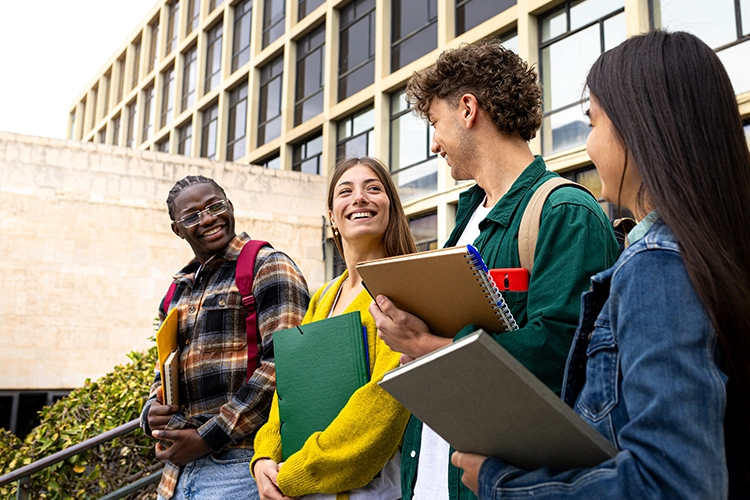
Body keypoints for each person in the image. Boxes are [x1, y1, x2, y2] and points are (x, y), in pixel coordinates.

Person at [452, 30, 750, 499]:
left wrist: (501, 483)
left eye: (592, 122)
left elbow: (672, 483)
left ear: (640, 128)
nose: (588, 145)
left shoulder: (657, 267)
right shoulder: (699, 254)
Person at [368, 39, 620, 499]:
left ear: (468, 109)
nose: (433, 143)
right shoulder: (466, 220)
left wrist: (429, 347)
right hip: (429, 479)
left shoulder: (565, 211)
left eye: (435, 122)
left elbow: (560, 351)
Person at [251, 156, 418, 500]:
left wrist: (299, 473)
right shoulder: (324, 295)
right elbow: (293, 388)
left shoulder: (404, 286)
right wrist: (265, 456)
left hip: (368, 487)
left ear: (390, 207)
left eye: (373, 188)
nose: (359, 198)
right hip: (301, 482)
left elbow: (386, 401)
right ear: (331, 216)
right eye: (346, 191)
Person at [140, 175, 310, 500]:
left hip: (240, 465)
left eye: (215, 206)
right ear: (177, 228)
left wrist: (207, 438)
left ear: (229, 206)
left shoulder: (267, 265)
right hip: (175, 474)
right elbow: (164, 369)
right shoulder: (179, 289)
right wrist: (151, 410)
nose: (207, 218)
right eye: (191, 215)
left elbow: (286, 366)